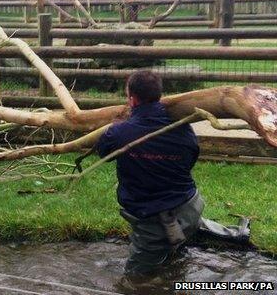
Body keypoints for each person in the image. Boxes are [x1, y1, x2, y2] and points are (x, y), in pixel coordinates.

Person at [96, 70, 250, 278]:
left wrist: (114, 129)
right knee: (181, 224)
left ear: (131, 99)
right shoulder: (183, 128)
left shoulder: (119, 132)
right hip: (191, 207)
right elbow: (191, 157)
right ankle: (233, 235)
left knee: (135, 281)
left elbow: (103, 153)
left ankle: (172, 248)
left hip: (155, 225)